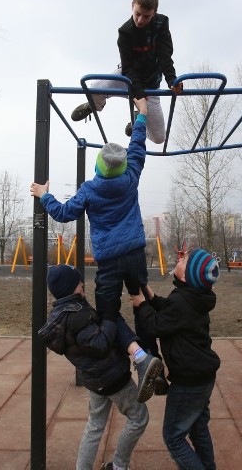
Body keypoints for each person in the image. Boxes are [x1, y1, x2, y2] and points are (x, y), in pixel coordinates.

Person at [31, 96, 163, 402]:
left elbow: (64, 213)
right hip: (135, 253)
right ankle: (154, 358)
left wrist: (44, 196)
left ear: (98, 167)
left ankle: (141, 360)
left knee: (107, 314)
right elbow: (138, 145)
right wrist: (142, 114)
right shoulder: (131, 176)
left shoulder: (90, 189)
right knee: (141, 301)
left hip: (111, 261)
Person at [38, 265, 150, 470]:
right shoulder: (77, 315)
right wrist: (108, 318)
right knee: (139, 418)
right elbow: (100, 345)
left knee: (95, 426)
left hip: (93, 379)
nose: (82, 283)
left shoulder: (60, 314)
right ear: (71, 287)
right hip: (112, 377)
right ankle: (119, 464)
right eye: (78, 281)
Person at [130, 247, 221, 470]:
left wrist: (141, 305)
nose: (179, 259)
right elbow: (170, 311)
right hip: (203, 377)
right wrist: (150, 296)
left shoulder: (182, 301)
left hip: (188, 382)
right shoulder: (195, 297)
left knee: (173, 437)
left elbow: (155, 326)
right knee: (198, 428)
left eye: (184, 260)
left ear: (186, 276)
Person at [71, 0, 183, 144]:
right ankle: (94, 106)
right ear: (132, 6)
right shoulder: (125, 32)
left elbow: (165, 55)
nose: (140, 20)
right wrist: (138, 94)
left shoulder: (161, 24)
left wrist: (172, 80)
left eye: (146, 16)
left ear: (154, 13)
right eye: (137, 14)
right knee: (93, 89)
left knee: (159, 138)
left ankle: (139, 122)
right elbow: (128, 67)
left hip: (151, 84)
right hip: (126, 78)